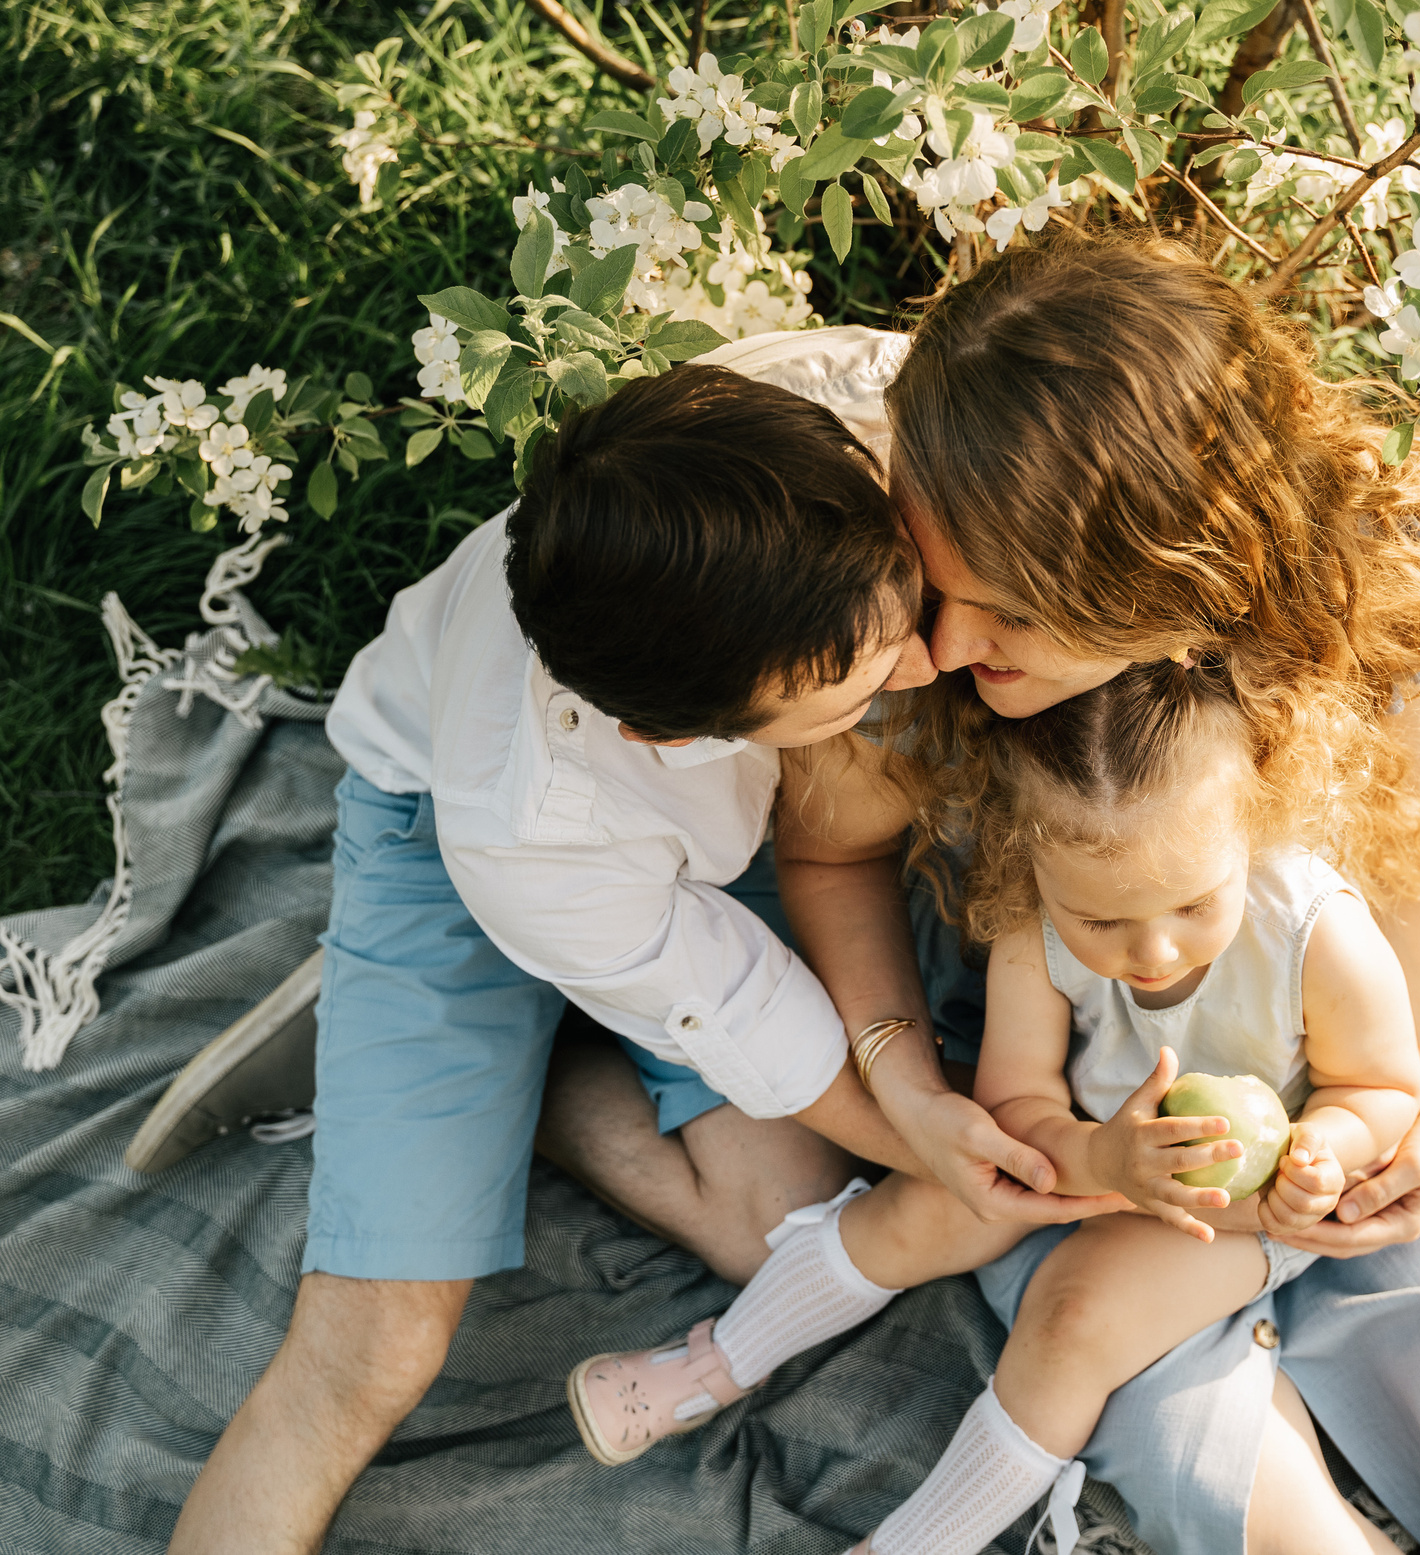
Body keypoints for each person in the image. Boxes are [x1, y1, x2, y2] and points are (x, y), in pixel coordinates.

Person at [747, 234, 1420, 1555]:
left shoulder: (1349, 576)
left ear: (1173, 585)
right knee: (1191, 1423)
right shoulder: (917, 634)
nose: (947, 643)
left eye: (1005, 614)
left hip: (1318, 1038)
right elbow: (834, 851)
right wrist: (901, 1078)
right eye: (946, 593)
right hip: (1088, 1092)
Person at [165, 351, 1109, 1555]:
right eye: (857, 681)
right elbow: (763, 1021)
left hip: (696, 859)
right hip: (450, 845)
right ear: (681, 732)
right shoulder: (541, 844)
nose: (925, 663)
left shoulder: (819, 421)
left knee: (782, 1216)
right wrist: (939, 1144)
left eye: (904, 610)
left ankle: (512, 1077)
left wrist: (918, 1122)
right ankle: (408, 1020)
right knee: (374, 1351)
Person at [568, 661, 1420, 1555]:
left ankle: (913, 1546)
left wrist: (1320, 1152)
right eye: (1101, 922)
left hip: (1237, 1209)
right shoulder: (1037, 924)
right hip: (1087, 1148)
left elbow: (1382, 1084)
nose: (1156, 949)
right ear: (1029, 861)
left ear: (1250, 820)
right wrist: (1103, 1162)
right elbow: (1017, 1101)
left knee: (1076, 1317)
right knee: (924, 1204)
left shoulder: (1312, 931)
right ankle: (715, 1361)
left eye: (1193, 903)